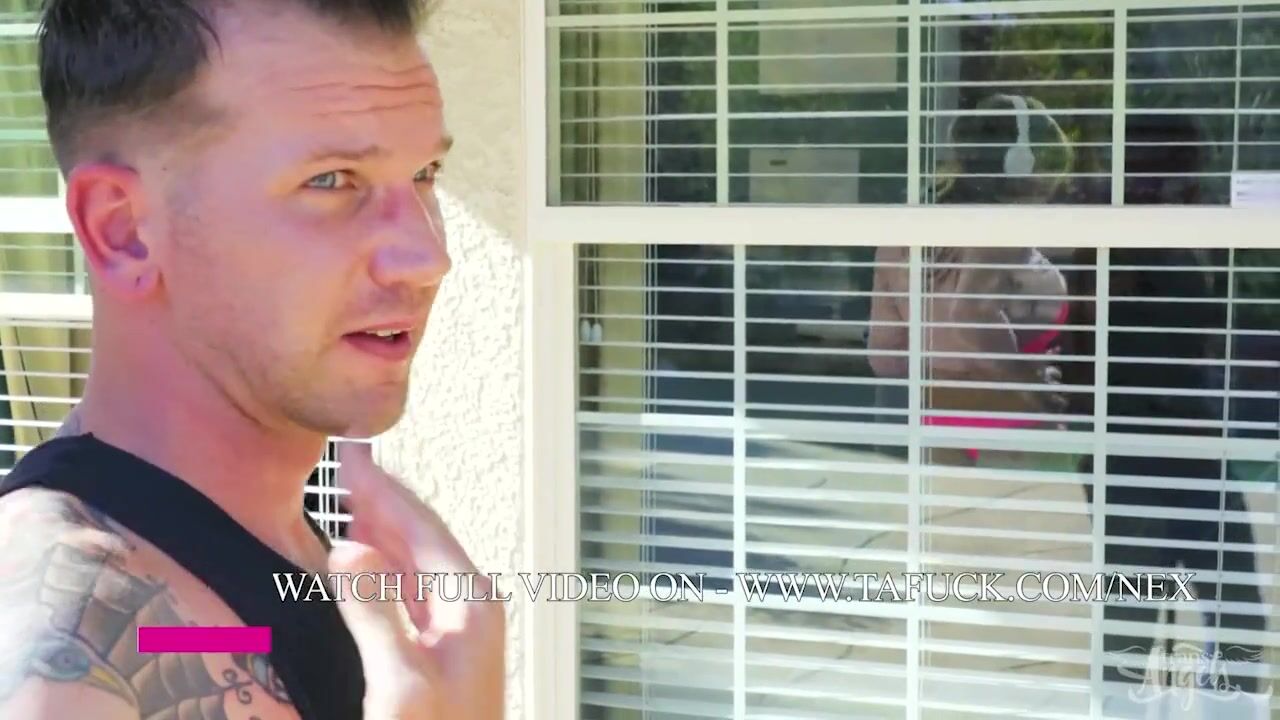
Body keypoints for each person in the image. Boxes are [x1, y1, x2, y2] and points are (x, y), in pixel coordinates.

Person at [0, 1, 504, 719]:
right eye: (331, 180)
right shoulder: (64, 654)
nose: (427, 257)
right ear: (124, 231)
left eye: (425, 172)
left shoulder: (268, 543)